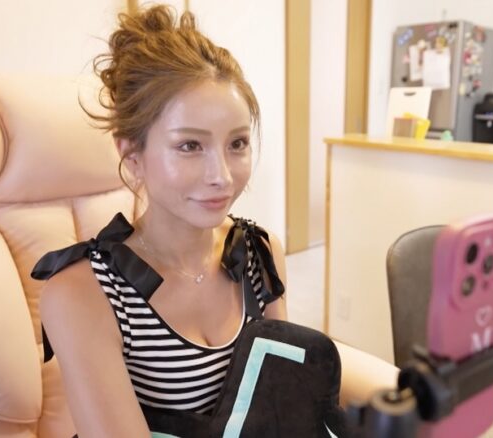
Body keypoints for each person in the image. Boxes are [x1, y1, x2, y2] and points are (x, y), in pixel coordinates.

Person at [36, 5, 397, 437]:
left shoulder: (259, 253)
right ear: (132, 156)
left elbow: (280, 396)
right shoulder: (83, 293)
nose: (222, 176)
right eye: (190, 146)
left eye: (237, 143)